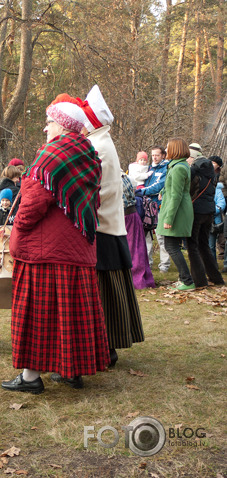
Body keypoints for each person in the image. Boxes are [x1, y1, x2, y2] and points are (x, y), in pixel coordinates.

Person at [0, 95, 108, 394]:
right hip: (78, 248)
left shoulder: (53, 155)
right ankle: (72, 371)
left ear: (62, 124)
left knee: (38, 315)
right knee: (71, 314)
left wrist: (16, 228)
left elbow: (33, 203)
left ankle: (31, 377)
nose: (45, 128)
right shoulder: (87, 152)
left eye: (49, 122)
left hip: (46, 251)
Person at [76, 85, 144, 369]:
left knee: (104, 294)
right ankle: (109, 346)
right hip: (110, 228)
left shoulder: (97, 145)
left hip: (102, 229)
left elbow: (95, 189)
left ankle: (105, 348)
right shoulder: (101, 142)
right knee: (110, 293)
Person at [158, 138, 195, 290]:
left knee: (171, 246)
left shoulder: (179, 168)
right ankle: (183, 279)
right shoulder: (176, 166)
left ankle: (187, 281)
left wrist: (169, 218)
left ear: (175, 149)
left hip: (177, 212)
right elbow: (171, 188)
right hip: (175, 209)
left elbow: (177, 195)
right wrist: (162, 191)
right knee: (171, 245)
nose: (166, 150)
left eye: (167, 147)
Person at [186, 149, 224, 288]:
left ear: (193, 158)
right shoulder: (211, 173)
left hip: (196, 211)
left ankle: (200, 281)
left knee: (192, 246)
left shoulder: (195, 171)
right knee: (204, 245)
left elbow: (189, 190)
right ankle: (216, 278)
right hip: (209, 211)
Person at [137, 146, 171, 272]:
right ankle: (148, 264)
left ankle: (164, 266)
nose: (155, 157)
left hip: (159, 207)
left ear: (163, 155)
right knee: (146, 237)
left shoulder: (166, 169)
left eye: (157, 155)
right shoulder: (148, 168)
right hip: (146, 207)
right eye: (153, 155)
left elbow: (158, 187)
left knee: (161, 238)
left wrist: (140, 191)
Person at [122, 174, 155, 289]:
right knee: (135, 249)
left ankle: (137, 281)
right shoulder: (123, 177)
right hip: (129, 216)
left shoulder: (120, 178)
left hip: (127, 217)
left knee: (134, 249)